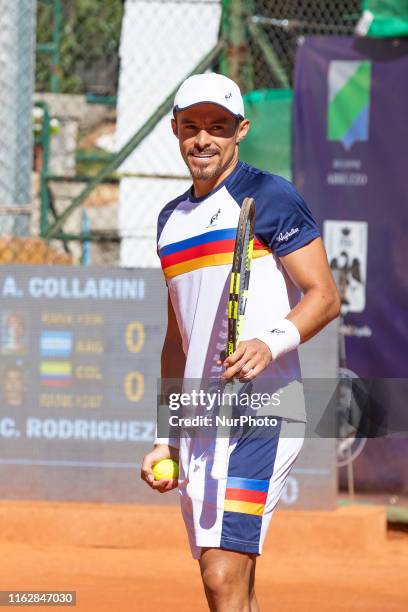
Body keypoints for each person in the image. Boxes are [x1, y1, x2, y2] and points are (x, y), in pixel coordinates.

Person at [141, 73, 340, 611]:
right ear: (176, 130)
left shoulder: (269, 196)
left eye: (217, 127)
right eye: (191, 126)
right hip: (203, 417)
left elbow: (324, 296)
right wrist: (170, 436)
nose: (203, 139)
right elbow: (176, 342)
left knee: (221, 573)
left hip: (263, 413)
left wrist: (269, 342)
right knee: (230, 583)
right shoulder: (170, 221)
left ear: (240, 131)